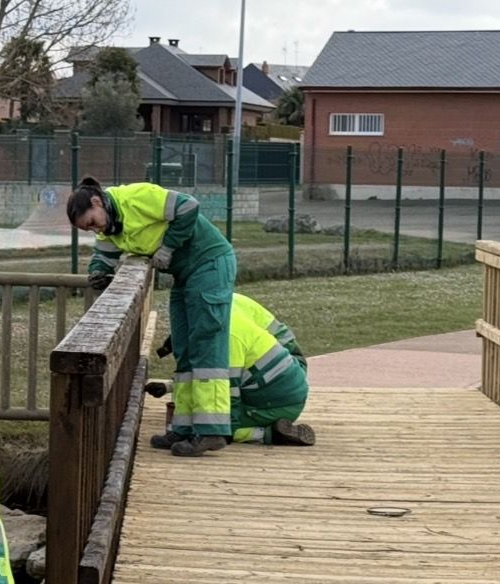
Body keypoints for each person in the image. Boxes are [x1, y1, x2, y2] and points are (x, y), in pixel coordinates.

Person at [66, 176, 235, 457]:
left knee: (205, 343)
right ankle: (183, 427)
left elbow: (188, 206)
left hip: (209, 263)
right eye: (88, 228)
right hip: (185, 274)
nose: (95, 229)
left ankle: (211, 430)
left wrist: (168, 246)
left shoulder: (137, 197)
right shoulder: (110, 227)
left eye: (92, 222)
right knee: (184, 347)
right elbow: (104, 256)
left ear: (97, 202)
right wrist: (97, 272)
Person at [147, 297, 316, 447]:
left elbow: (227, 391)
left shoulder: (227, 340)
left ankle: (269, 434)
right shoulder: (219, 309)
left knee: (208, 425)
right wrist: (169, 386)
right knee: (205, 414)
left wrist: (221, 429)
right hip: (281, 374)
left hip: (281, 397)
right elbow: (207, 376)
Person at [157, 292, 306, 369]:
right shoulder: (213, 308)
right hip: (285, 360)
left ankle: (264, 424)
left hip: (287, 365)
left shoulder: (223, 329)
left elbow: (223, 377)